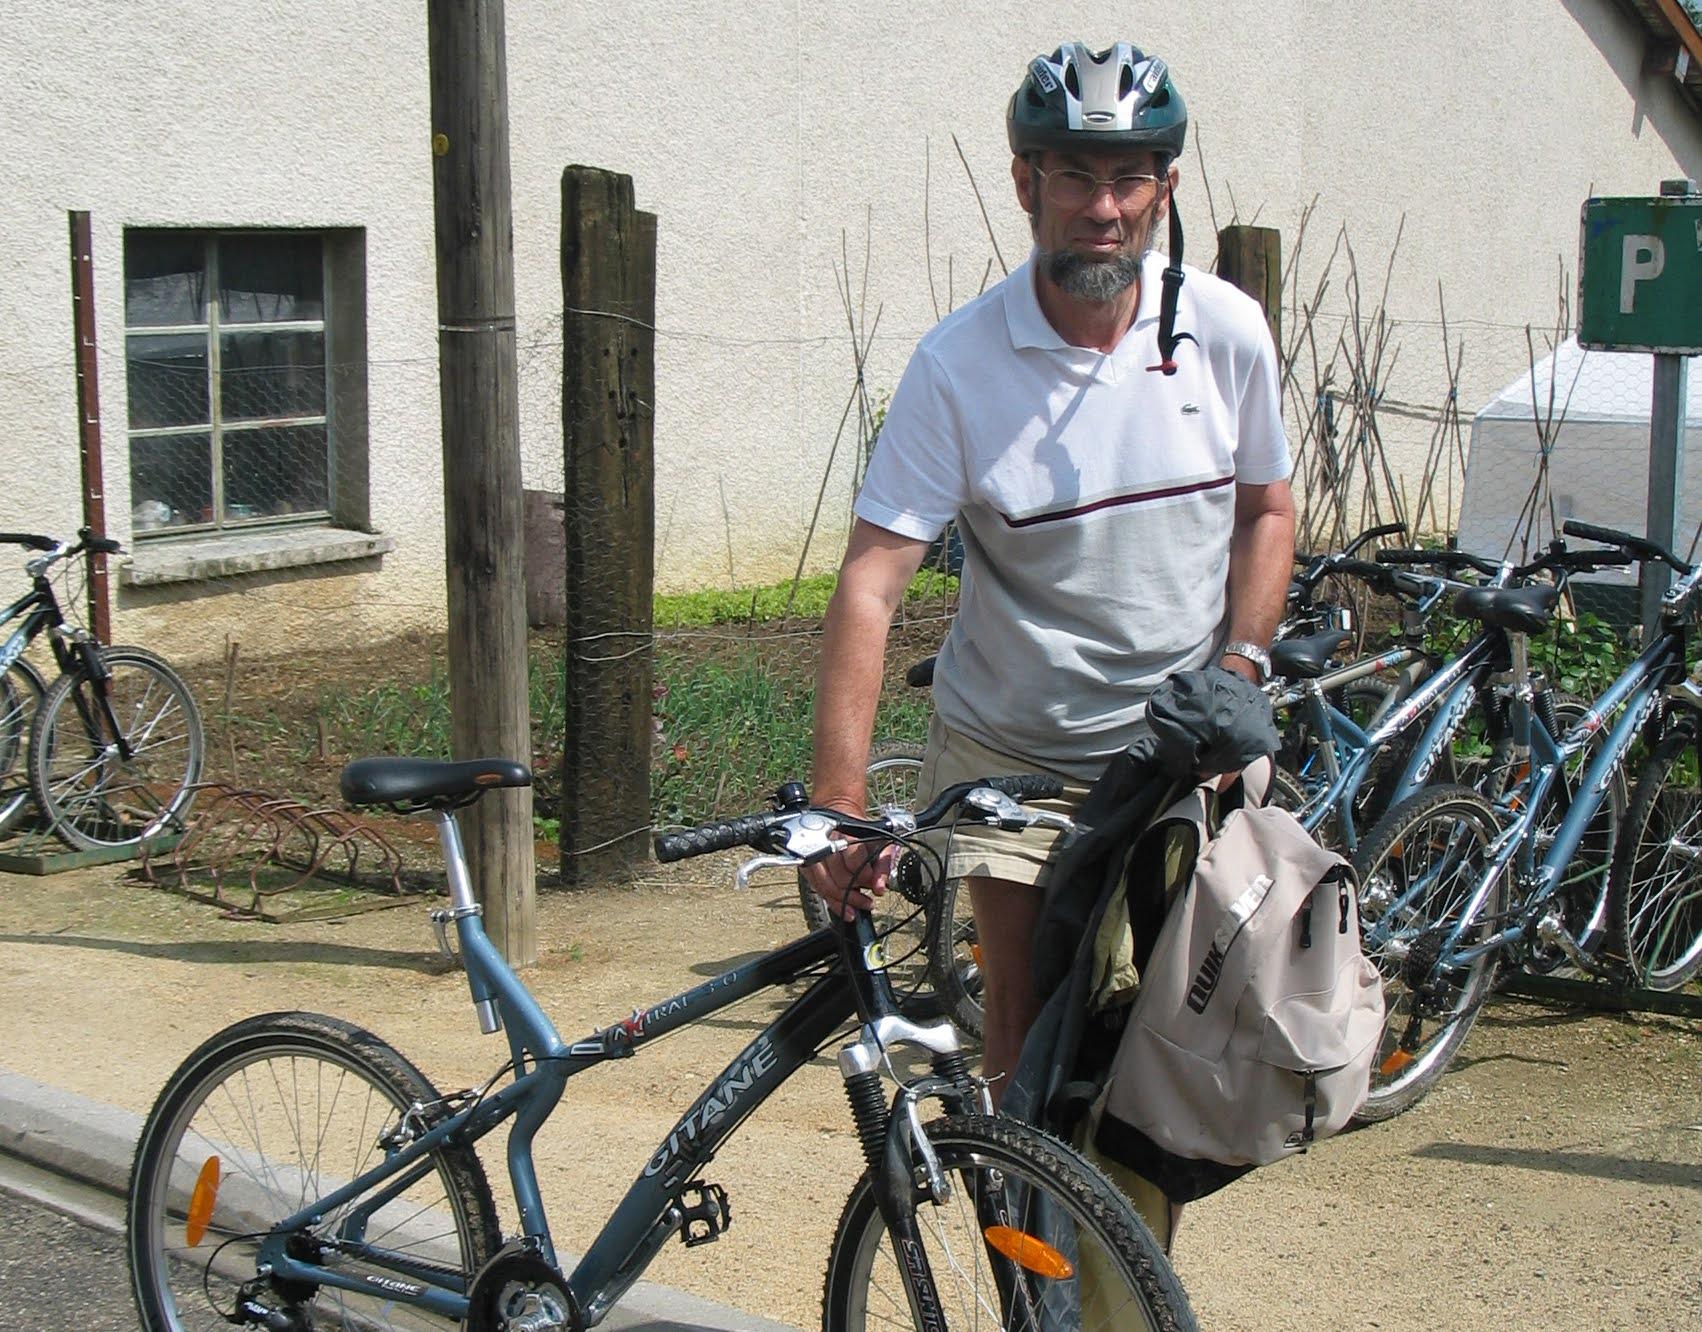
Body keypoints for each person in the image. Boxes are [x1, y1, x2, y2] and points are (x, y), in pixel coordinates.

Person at [805, 39, 1295, 1235]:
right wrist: (840, 803)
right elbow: (872, 582)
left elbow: (1267, 510)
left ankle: (1124, 1278)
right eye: (1074, 176)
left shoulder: (1226, 332)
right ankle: (1028, 1267)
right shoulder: (957, 367)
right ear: (1025, 183)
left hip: (1175, 754)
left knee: (1162, 1039)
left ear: (1166, 189)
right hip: (1012, 750)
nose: (1102, 207)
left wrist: (1241, 661)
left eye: (1129, 178)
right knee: (1026, 1026)